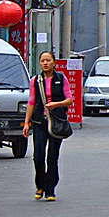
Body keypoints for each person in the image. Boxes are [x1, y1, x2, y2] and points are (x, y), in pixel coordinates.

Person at [22, 50, 74, 202]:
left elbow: (69, 100)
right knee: (38, 156)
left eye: (48, 60)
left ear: (54, 63)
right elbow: (31, 102)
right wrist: (26, 122)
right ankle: (40, 185)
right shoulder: (35, 81)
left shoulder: (61, 78)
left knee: (52, 156)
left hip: (56, 122)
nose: (45, 63)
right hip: (39, 122)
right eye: (42, 60)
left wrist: (56, 104)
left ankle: (50, 189)